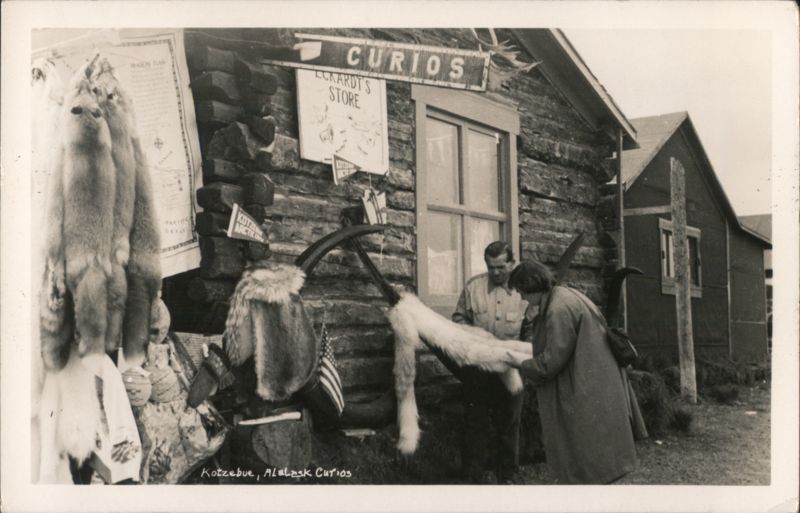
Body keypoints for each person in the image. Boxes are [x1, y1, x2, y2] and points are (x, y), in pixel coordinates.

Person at [507, 259, 637, 484]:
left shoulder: (558, 309)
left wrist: (519, 363)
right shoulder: (566, 295)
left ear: (531, 287)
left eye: (521, 292)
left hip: (583, 384)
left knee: (582, 448)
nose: (522, 298)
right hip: (595, 378)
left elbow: (551, 362)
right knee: (598, 445)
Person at [452, 241, 528, 484]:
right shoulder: (473, 287)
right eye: (490, 267)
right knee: (475, 423)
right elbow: (458, 321)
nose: (495, 272)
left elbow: (532, 331)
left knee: (510, 423)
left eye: (501, 267)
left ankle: (508, 476)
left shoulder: (524, 291)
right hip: (478, 369)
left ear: (512, 264)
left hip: (511, 369)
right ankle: (472, 477)